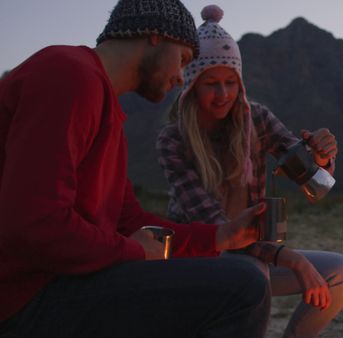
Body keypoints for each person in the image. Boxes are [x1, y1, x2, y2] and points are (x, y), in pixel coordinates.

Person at [0, 1, 272, 337]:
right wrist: (132, 250)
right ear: (156, 36)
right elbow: (35, 224)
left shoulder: (105, 110)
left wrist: (221, 236)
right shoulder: (68, 74)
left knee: (237, 271)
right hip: (26, 297)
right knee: (243, 288)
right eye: (184, 60)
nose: (180, 77)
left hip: (61, 281)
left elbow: (127, 219)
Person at [156, 5, 343, 338]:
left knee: (342, 273)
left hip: (255, 252)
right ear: (192, 86)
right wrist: (289, 258)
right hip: (199, 257)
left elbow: (307, 173)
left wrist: (319, 158)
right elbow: (215, 228)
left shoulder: (257, 119)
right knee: (253, 275)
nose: (223, 95)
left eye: (230, 83)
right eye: (211, 84)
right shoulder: (173, 140)